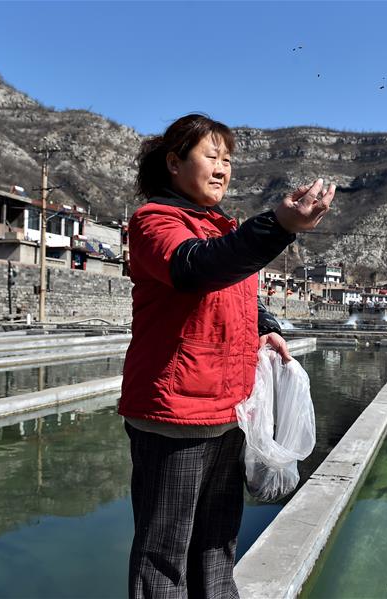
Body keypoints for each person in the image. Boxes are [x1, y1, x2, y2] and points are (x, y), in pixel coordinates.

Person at [120, 113, 334, 599]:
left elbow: (238, 288)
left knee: (217, 547)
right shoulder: (156, 221)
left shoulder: (219, 230)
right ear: (174, 164)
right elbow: (196, 270)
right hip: (175, 415)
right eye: (210, 157)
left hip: (227, 412)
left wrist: (267, 328)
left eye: (228, 160)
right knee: (164, 554)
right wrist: (279, 224)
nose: (222, 169)